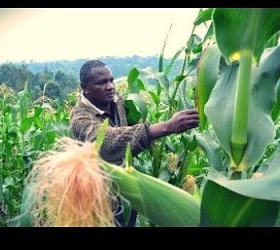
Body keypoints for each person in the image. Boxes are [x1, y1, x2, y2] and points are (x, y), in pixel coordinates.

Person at [69, 60, 199, 226]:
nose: (110, 86)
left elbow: (129, 127)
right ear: (85, 87)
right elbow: (106, 141)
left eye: (111, 80)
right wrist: (166, 127)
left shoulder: (118, 103)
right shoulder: (80, 118)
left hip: (125, 189)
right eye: (101, 83)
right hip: (98, 198)